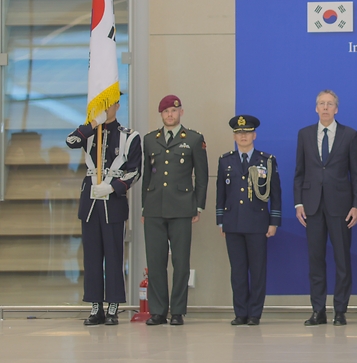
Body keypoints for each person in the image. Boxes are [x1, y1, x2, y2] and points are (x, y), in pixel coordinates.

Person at [66, 97, 141, 325]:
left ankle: (114, 306)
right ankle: (95, 306)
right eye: (102, 105)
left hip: (112, 201)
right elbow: (70, 141)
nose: (106, 109)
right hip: (90, 202)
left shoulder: (129, 136)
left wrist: (113, 187)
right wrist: (92, 123)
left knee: (114, 255)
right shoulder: (89, 133)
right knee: (92, 257)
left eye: (110, 105)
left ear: (118, 106)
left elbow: (135, 171)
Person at [295, 90, 357, 327]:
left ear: (336, 109)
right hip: (312, 206)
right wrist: (299, 203)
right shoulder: (304, 134)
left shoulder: (350, 135)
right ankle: (318, 310)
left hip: (341, 206)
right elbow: (299, 172)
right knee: (315, 260)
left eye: (330, 104)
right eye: (321, 104)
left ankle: (340, 310)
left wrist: (356, 205)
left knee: (342, 259)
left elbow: (356, 174)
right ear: (316, 108)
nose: (325, 107)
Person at [141, 95, 208, 326]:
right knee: (156, 261)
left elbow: (201, 175)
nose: (170, 115)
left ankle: (177, 310)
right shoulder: (150, 139)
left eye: (173, 110)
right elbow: (147, 176)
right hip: (154, 208)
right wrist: (144, 206)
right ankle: (158, 311)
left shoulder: (193, 138)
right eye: (165, 111)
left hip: (181, 207)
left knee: (181, 261)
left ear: (181, 112)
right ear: (160, 114)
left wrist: (198, 205)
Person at [215, 115, 281, 326]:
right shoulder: (225, 160)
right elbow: (220, 193)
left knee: (258, 270)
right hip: (233, 223)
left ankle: (254, 313)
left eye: (247, 133)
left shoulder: (266, 160)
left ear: (254, 135)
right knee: (238, 270)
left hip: (257, 223)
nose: (243, 137)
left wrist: (274, 222)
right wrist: (221, 221)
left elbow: (276, 194)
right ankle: (240, 312)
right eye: (239, 133)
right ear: (234, 136)